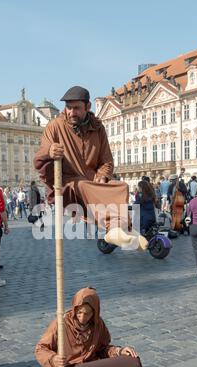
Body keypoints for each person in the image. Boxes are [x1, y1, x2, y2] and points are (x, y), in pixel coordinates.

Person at [34, 85, 148, 251]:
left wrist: (102, 175)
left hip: (91, 182)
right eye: (68, 107)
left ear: (88, 107)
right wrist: (49, 151)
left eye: (77, 108)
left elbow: (106, 160)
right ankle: (118, 229)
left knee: (120, 186)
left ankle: (120, 229)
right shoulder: (55, 126)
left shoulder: (98, 128)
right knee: (82, 184)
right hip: (65, 187)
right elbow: (40, 154)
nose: (72, 112)